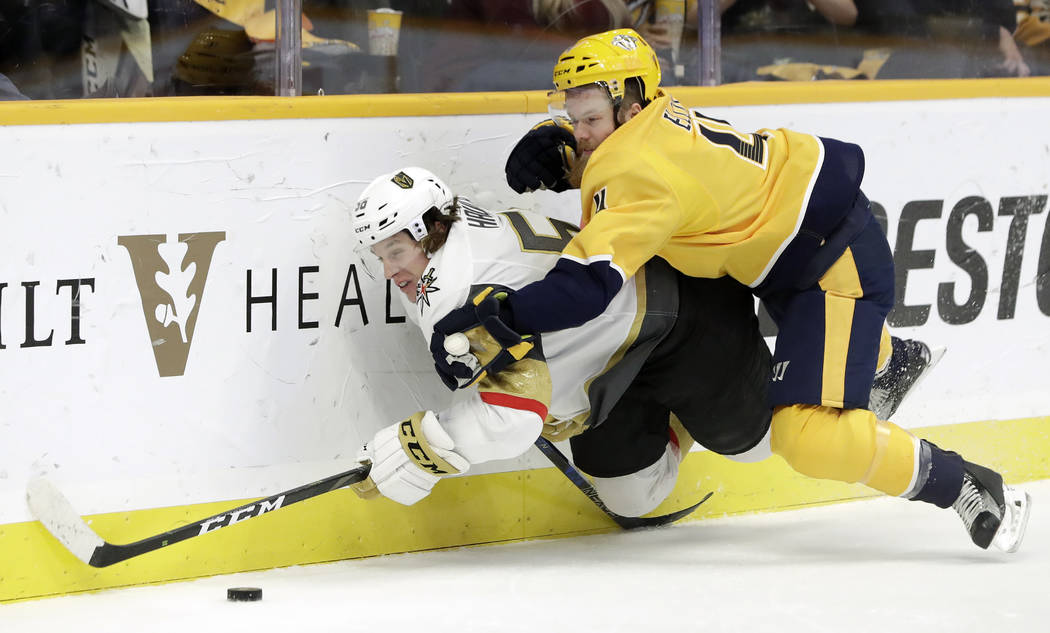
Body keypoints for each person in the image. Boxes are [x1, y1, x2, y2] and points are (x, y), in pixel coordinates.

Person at [431, 28, 1031, 551]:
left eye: (590, 119)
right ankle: (888, 358)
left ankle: (966, 484)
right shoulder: (656, 118)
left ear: (632, 104)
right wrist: (574, 162)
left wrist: (503, 315)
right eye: (573, 117)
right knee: (791, 373)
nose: (580, 132)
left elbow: (587, 285)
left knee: (804, 435)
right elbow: (664, 186)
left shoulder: (632, 167)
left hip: (829, 264)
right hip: (801, 248)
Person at [348, 166, 942, 518]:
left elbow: (511, 418)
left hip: (681, 316)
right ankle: (683, 413)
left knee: (758, 445)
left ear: (431, 230)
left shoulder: (463, 281)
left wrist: (426, 445)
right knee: (632, 496)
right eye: (381, 256)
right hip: (614, 361)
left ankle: (882, 360)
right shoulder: (454, 241)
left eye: (395, 252)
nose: (389, 271)